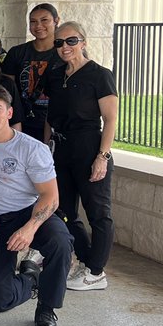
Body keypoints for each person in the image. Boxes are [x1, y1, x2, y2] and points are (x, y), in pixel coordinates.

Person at [0, 85, 73, 326]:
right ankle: (31, 278)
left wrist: (30, 228)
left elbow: (51, 196)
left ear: (10, 112)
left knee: (60, 242)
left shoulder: (32, 148)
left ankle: (46, 308)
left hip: (30, 213)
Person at [48, 22, 118, 292]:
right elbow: (50, 117)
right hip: (61, 148)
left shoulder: (100, 75)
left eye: (71, 41)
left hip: (89, 147)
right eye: (59, 42)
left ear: (84, 42)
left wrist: (102, 156)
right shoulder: (56, 75)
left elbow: (110, 119)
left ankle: (96, 271)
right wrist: (45, 148)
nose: (65, 47)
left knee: (98, 212)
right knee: (64, 210)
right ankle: (87, 262)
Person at [2, 3, 62, 142]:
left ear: (56, 21)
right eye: (33, 21)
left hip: (54, 122)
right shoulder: (17, 52)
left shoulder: (63, 53)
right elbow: (6, 90)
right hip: (22, 122)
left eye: (44, 20)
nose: (38, 25)